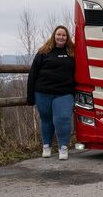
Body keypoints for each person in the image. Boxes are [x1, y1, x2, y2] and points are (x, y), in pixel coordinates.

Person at [27, 25, 75, 160]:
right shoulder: (43, 52)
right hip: (43, 93)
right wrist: (30, 96)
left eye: (64, 35)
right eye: (58, 34)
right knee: (46, 120)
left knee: (63, 119)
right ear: (54, 36)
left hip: (64, 93)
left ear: (67, 38)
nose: (61, 37)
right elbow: (33, 74)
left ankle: (63, 147)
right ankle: (46, 146)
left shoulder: (72, 52)